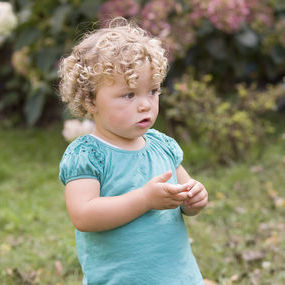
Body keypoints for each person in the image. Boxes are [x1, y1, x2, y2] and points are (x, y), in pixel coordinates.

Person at [58, 17, 208, 285]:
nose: (145, 105)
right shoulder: (88, 155)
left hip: (178, 277)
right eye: (129, 95)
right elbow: (83, 214)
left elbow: (184, 193)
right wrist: (144, 199)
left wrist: (194, 198)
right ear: (90, 100)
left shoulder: (162, 145)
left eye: (152, 91)